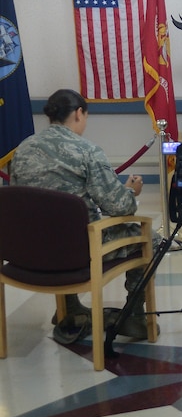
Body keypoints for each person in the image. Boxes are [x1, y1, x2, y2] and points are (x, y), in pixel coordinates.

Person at [9, 89, 159, 340]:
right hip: (78, 251)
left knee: (56, 226)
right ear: (79, 113)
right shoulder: (86, 151)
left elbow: (20, 200)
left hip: (29, 252)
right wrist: (130, 191)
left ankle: (69, 307)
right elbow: (120, 208)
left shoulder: (22, 149)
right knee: (151, 239)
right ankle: (132, 316)